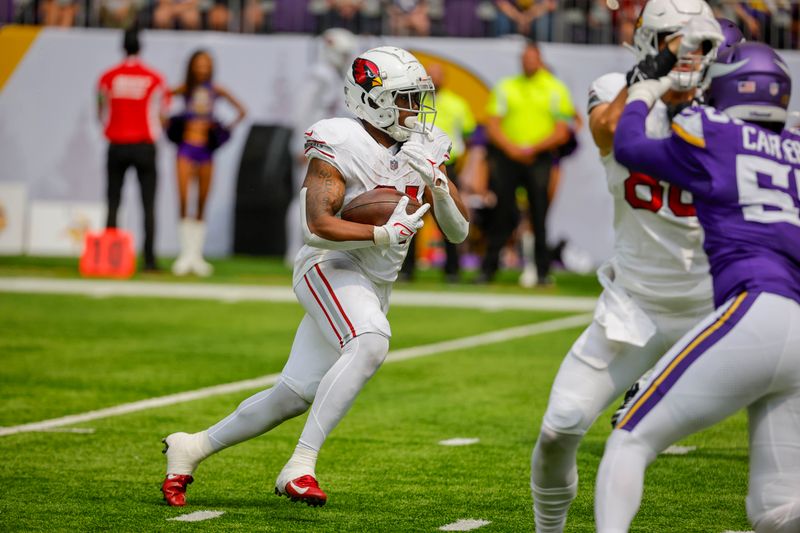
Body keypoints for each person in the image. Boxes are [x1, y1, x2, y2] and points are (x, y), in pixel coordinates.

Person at [160, 46, 469, 507]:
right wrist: (381, 234)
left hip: (374, 282)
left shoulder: (424, 144)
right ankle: (300, 465)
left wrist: (439, 187)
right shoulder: (341, 139)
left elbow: (459, 231)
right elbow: (315, 225)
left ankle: (192, 446)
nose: (415, 109)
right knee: (370, 340)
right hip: (329, 266)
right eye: (406, 98)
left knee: (294, 393)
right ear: (373, 98)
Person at [529, 3, 723, 531]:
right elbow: (607, 132)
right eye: (672, 41)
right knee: (560, 427)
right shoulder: (617, 87)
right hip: (633, 307)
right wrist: (649, 80)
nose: (687, 54)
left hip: (719, 309)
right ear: (647, 43)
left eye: (699, 44)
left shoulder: (729, 100)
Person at [595, 40, 800, 533]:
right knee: (776, 513)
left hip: (758, 308)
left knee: (630, 438)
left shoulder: (715, 130)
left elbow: (628, 146)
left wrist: (645, 85)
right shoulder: (796, 150)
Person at [479, 39, 575, 287]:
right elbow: (493, 123)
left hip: (539, 157)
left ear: (540, 60)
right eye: (525, 59)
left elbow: (562, 129)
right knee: (501, 212)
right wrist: (512, 147)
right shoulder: (507, 86)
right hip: (508, 156)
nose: (528, 63)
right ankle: (488, 268)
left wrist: (533, 147)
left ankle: (542, 271)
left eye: (532, 59)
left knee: (539, 213)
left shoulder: (555, 88)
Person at [97, 28, 170, 272]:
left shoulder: (107, 77)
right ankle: (149, 261)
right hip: (144, 145)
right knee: (148, 204)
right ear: (140, 47)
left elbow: (100, 111)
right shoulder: (154, 78)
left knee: (113, 201)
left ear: (123, 47)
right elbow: (163, 114)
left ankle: (108, 259)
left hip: (116, 144)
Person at [169, 50, 246, 277]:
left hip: (206, 151)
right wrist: (169, 124)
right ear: (191, 66)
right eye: (199, 64)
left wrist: (223, 130)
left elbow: (241, 110)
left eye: (206, 65)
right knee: (184, 199)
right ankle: (184, 255)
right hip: (186, 148)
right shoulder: (184, 89)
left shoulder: (216, 90)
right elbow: (160, 97)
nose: (202, 68)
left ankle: (196, 255)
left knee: (202, 201)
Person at [285, 28, 357, 267]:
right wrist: (301, 144)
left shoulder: (333, 76)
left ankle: (316, 252)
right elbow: (300, 111)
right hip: (312, 146)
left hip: (327, 147)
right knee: (304, 199)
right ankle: (293, 252)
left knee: (323, 201)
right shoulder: (319, 74)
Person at [400, 62, 476, 282]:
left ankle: (452, 270)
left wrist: (463, 162)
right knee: (412, 213)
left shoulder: (457, 103)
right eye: (429, 76)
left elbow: (470, 135)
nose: (433, 80)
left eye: (437, 76)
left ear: (445, 78)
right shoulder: (413, 101)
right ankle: (407, 269)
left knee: (448, 213)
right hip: (414, 161)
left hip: (445, 164)